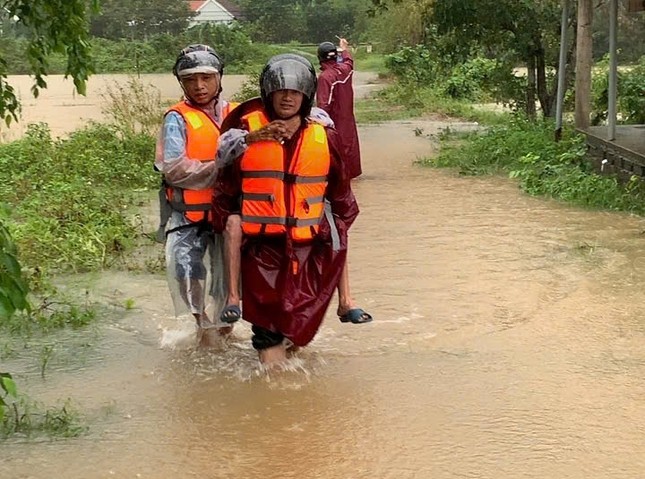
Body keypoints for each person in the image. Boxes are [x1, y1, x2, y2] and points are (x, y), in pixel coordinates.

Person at [213, 53, 362, 365]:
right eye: (281, 91)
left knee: (298, 329)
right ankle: (274, 394)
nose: (287, 97)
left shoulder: (323, 134)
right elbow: (225, 180)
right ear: (268, 92)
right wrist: (255, 138)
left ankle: (342, 305)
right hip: (261, 250)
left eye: (295, 92)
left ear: (306, 95)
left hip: (308, 249)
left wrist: (333, 226)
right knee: (266, 331)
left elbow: (342, 195)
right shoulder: (244, 130)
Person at [154, 44, 241, 347]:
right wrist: (220, 167)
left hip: (228, 214)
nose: (199, 86)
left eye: (206, 78)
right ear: (181, 82)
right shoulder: (177, 118)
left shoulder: (236, 113)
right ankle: (203, 328)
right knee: (189, 274)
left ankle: (224, 331)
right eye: (190, 79)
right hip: (188, 215)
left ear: (219, 78)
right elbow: (174, 169)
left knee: (229, 280)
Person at [316, 38, 372, 325]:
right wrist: (346, 47)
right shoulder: (344, 69)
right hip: (346, 127)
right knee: (347, 169)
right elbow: (348, 61)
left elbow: (321, 108)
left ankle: (342, 299)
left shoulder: (325, 77)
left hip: (331, 131)